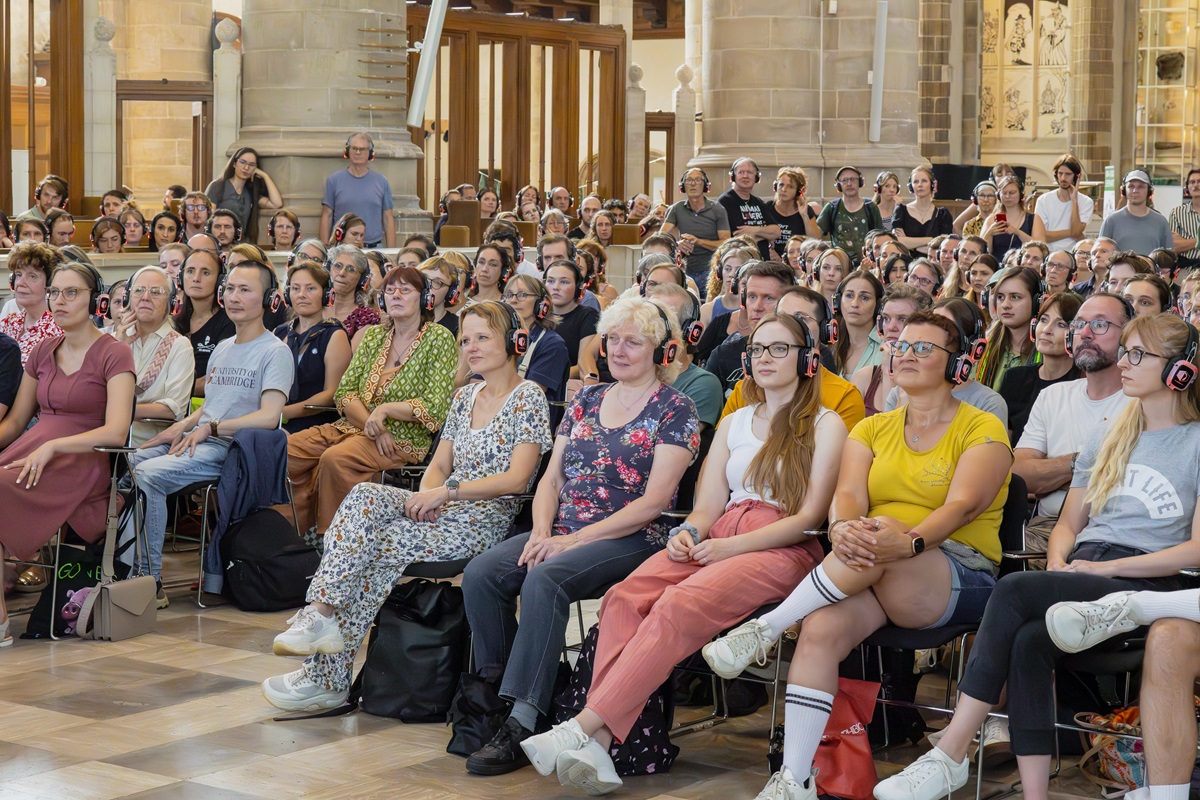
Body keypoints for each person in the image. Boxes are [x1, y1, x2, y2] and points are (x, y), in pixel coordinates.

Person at [874, 313, 1200, 800]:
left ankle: (950, 753)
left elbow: (1195, 550)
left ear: (1180, 371)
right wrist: (1060, 563)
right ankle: (1034, 796)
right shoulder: (1111, 434)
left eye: (1138, 355)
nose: (1124, 363)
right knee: (1029, 638)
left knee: (1012, 589)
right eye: (1124, 350)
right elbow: (1069, 523)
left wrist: (1105, 569)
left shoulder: (1195, 441)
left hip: (1151, 580)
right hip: (1087, 571)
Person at [520, 314, 847, 793]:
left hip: (780, 544)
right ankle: (603, 739)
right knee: (623, 597)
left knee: (677, 605)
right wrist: (689, 533)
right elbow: (709, 505)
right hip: (720, 530)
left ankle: (582, 728)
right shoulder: (736, 421)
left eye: (780, 349)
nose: (766, 359)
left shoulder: (825, 423)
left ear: (807, 358)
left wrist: (728, 546)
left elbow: (808, 517)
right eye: (758, 350)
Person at [706, 310, 1010, 800]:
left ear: (957, 366)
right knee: (821, 628)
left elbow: (961, 506)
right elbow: (847, 496)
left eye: (922, 348)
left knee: (882, 527)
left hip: (957, 569)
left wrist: (903, 540)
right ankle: (796, 778)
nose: (905, 354)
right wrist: (845, 527)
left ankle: (767, 627)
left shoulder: (983, 427)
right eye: (901, 346)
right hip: (872, 564)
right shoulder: (871, 429)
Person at [263, 302, 553, 709]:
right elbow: (438, 464)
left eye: (482, 337)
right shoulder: (466, 395)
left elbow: (517, 479)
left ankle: (326, 678)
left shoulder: (529, 397)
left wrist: (445, 494)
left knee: (374, 548)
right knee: (364, 495)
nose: (470, 347)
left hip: (483, 520)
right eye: (465, 339)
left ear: (513, 342)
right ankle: (321, 613)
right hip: (443, 507)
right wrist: (425, 497)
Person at [461, 295, 700, 776]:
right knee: (482, 573)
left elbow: (654, 503)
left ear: (661, 351)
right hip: (563, 530)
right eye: (613, 339)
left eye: (634, 341)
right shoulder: (587, 399)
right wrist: (544, 530)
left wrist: (569, 542)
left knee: (544, 579)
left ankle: (521, 721)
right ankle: (515, 691)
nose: (620, 349)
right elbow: (551, 480)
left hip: (634, 536)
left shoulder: (676, 408)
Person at [124, 262, 294, 598]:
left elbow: (269, 417)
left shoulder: (275, 352)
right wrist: (179, 427)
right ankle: (124, 570)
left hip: (233, 450)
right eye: (230, 289)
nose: (234, 297)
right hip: (201, 438)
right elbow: (210, 407)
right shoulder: (223, 347)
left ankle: (148, 582)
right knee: (127, 464)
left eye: (245, 290)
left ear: (269, 299)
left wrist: (212, 429)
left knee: (148, 475)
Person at [0, 264, 136, 644]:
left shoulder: (115, 352)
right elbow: (14, 424)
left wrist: (54, 446)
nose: (60, 301)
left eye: (71, 292)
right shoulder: (43, 349)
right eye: (55, 292)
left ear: (95, 299)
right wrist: (41, 445)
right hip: (34, 450)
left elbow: (116, 430)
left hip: (82, 458)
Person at [287, 266, 458, 539]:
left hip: (404, 439)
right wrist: (373, 424)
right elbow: (345, 393)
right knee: (287, 451)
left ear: (425, 299)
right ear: (382, 300)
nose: (396, 296)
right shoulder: (374, 336)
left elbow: (435, 406)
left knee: (335, 459)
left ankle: (334, 540)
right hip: (355, 427)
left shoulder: (439, 338)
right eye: (390, 290)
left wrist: (385, 410)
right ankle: (290, 532)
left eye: (406, 290)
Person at [1013, 293, 1132, 556]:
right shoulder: (1053, 396)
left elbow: (1124, 486)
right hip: (1045, 527)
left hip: (1113, 531)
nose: (1086, 333)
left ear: (1128, 337)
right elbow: (1020, 475)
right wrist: (1082, 462)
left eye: (1100, 324)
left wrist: (1052, 475)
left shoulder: (1140, 402)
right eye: (1078, 324)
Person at [720, 286, 867, 435]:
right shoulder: (744, 390)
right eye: (782, 317)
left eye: (800, 319)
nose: (787, 326)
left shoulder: (844, 397)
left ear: (825, 330)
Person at [881, 297, 1009, 428]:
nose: (931, 333)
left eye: (946, 329)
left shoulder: (988, 403)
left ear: (973, 348)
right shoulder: (899, 393)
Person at [110, 267, 196, 447]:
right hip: (104, 435)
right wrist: (119, 348)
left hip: (147, 444)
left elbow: (173, 409)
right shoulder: (114, 340)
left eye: (156, 292)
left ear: (171, 303)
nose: (145, 297)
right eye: (139, 290)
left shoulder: (179, 345)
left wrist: (123, 411)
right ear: (128, 298)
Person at [274, 260, 352, 434]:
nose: (301, 295)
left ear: (326, 295)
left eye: (310, 288)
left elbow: (331, 394)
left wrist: (282, 413)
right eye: (295, 288)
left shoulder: (333, 334)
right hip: (275, 419)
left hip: (315, 424)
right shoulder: (279, 333)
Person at [998, 291, 1082, 445]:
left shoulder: (1082, 385)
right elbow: (1003, 443)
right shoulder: (1015, 378)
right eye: (1043, 320)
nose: (1046, 330)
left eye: (1061, 324)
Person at [704, 261, 797, 393]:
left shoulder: (804, 355)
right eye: (752, 297)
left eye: (768, 298)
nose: (757, 307)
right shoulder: (723, 355)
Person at [852, 284, 933, 416]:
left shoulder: (929, 381)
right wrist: (886, 368)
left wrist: (888, 370)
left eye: (902, 319)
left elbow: (892, 428)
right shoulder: (864, 377)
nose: (891, 327)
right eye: (886, 318)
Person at [174, 248, 235, 398]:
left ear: (220, 281)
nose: (196, 278)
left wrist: (173, 391)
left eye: (205, 272)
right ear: (181, 278)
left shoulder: (229, 323)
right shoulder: (174, 322)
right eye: (190, 271)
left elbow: (219, 379)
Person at [500, 275, 570, 403]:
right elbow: (477, 382)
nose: (513, 300)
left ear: (542, 304)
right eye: (509, 295)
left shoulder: (552, 344)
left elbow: (530, 394)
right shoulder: (497, 338)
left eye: (522, 294)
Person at [320, 132, 395, 248]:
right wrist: (324, 249)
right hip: (342, 248)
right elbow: (327, 215)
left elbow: (388, 218)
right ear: (347, 151)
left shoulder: (381, 182)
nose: (358, 152)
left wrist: (392, 251)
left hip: (373, 248)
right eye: (354, 148)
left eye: (362, 149)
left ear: (370, 153)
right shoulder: (334, 180)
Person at [661, 168, 732, 290]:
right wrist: (676, 244)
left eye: (698, 180)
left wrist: (698, 241)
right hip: (684, 268)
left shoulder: (717, 209)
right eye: (689, 180)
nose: (693, 184)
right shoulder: (676, 209)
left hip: (710, 269)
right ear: (682, 186)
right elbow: (661, 236)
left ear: (705, 186)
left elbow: (726, 243)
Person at [976, 266, 1042, 390]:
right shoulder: (982, 347)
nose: (1005, 305)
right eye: (1000, 297)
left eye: (1015, 297)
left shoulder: (1046, 351)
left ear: (1036, 302)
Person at [1, 242, 65, 364]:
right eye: (19, 274)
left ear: (50, 283)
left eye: (32, 276)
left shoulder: (58, 330)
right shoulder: (8, 323)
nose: (20, 283)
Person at [205, 147, 282, 235]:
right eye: (242, 162)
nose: (246, 167)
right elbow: (208, 217)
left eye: (252, 165)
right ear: (234, 164)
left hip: (242, 243)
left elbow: (276, 203)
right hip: (220, 239)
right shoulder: (218, 186)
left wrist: (265, 176)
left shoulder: (250, 191)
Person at [817, 166, 884, 265]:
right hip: (838, 265)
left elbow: (880, 238)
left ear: (860, 182)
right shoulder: (832, 207)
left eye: (853, 179)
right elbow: (815, 235)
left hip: (867, 265)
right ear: (838, 186)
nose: (849, 183)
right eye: (844, 180)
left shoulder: (870, 207)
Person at [543, 259, 599, 377]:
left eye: (564, 282)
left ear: (578, 288)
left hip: (566, 383)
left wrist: (545, 377)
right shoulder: (538, 315)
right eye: (551, 281)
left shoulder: (588, 316)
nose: (556, 287)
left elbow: (582, 365)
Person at [717, 158, 780, 261]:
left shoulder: (758, 202)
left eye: (750, 172)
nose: (745, 176)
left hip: (762, 261)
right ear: (733, 176)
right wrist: (764, 235)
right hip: (741, 262)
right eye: (741, 172)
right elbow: (738, 237)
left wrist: (754, 230)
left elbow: (776, 232)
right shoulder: (725, 202)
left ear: (756, 177)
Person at [1100, 170, 1173, 255]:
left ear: (1149, 191)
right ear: (1123, 190)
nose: (1135, 190)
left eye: (1141, 187)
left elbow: (1169, 258)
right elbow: (1100, 253)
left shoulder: (1161, 222)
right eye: (1131, 186)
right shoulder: (1111, 221)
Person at [1032, 154, 1092, 253]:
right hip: (1049, 253)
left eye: (1068, 174)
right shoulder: (1043, 200)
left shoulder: (1086, 202)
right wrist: (1071, 233)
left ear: (1077, 177)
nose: (1063, 178)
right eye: (1060, 174)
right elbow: (1040, 236)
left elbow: (1076, 230)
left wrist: (1074, 201)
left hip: (1074, 254)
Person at [831, 270, 885, 379]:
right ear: (837, 302)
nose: (855, 304)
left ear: (878, 306)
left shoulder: (886, 347)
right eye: (849, 296)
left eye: (864, 298)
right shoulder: (831, 346)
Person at [322, 244, 381, 342]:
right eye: (337, 266)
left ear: (362, 279)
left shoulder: (367, 318)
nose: (342, 273)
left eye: (351, 269)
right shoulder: (314, 308)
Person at [890, 166, 953, 255]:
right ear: (911, 187)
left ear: (932, 185)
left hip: (934, 264)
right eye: (916, 181)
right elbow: (898, 243)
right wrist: (930, 240)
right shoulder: (901, 211)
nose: (920, 185)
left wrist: (911, 245)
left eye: (924, 181)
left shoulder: (942, 215)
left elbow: (943, 247)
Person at [766, 166, 820, 260]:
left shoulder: (806, 211)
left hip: (797, 261)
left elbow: (816, 242)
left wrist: (804, 215)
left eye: (790, 186)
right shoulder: (767, 208)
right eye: (781, 185)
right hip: (772, 261)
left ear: (799, 191)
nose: (784, 190)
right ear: (775, 186)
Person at [702, 243, 758, 328]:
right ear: (720, 273)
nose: (731, 274)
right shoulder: (707, 310)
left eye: (737, 270)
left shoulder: (756, 311)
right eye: (728, 269)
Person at [982, 175, 1034, 263]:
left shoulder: (1033, 219)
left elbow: (1040, 247)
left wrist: (1017, 232)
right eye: (1004, 193)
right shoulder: (990, 220)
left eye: (1012, 192)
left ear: (1021, 194)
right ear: (999, 195)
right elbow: (982, 251)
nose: (1007, 196)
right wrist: (989, 234)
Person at [420, 254, 463, 338]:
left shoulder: (458, 327)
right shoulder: (404, 322)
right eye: (424, 279)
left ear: (450, 292)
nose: (428, 286)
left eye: (437, 282)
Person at [1169, 168, 1200, 271]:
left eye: (1199, 181)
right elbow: (1174, 247)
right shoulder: (1176, 213)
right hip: (1185, 270)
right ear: (1187, 187)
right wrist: (1198, 240)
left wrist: (1186, 242)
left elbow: (1180, 245)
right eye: (1192, 182)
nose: (1196, 185)